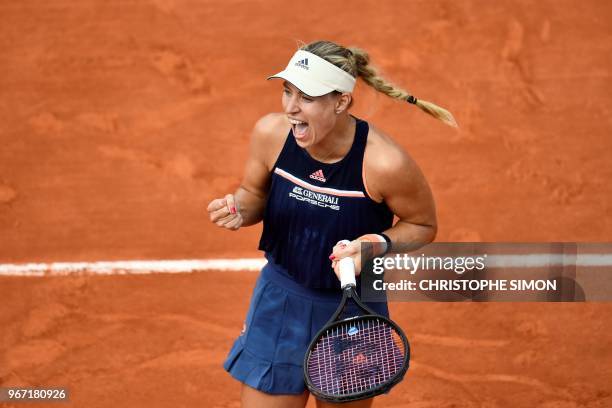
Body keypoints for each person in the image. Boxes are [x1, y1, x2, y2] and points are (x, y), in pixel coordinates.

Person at [207, 40, 456, 408]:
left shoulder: (384, 164)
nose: (291, 108)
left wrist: (373, 243)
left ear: (340, 101)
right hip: (280, 301)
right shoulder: (270, 135)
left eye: (306, 97)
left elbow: (422, 225)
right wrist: (239, 208)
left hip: (352, 310)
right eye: (287, 91)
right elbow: (253, 193)